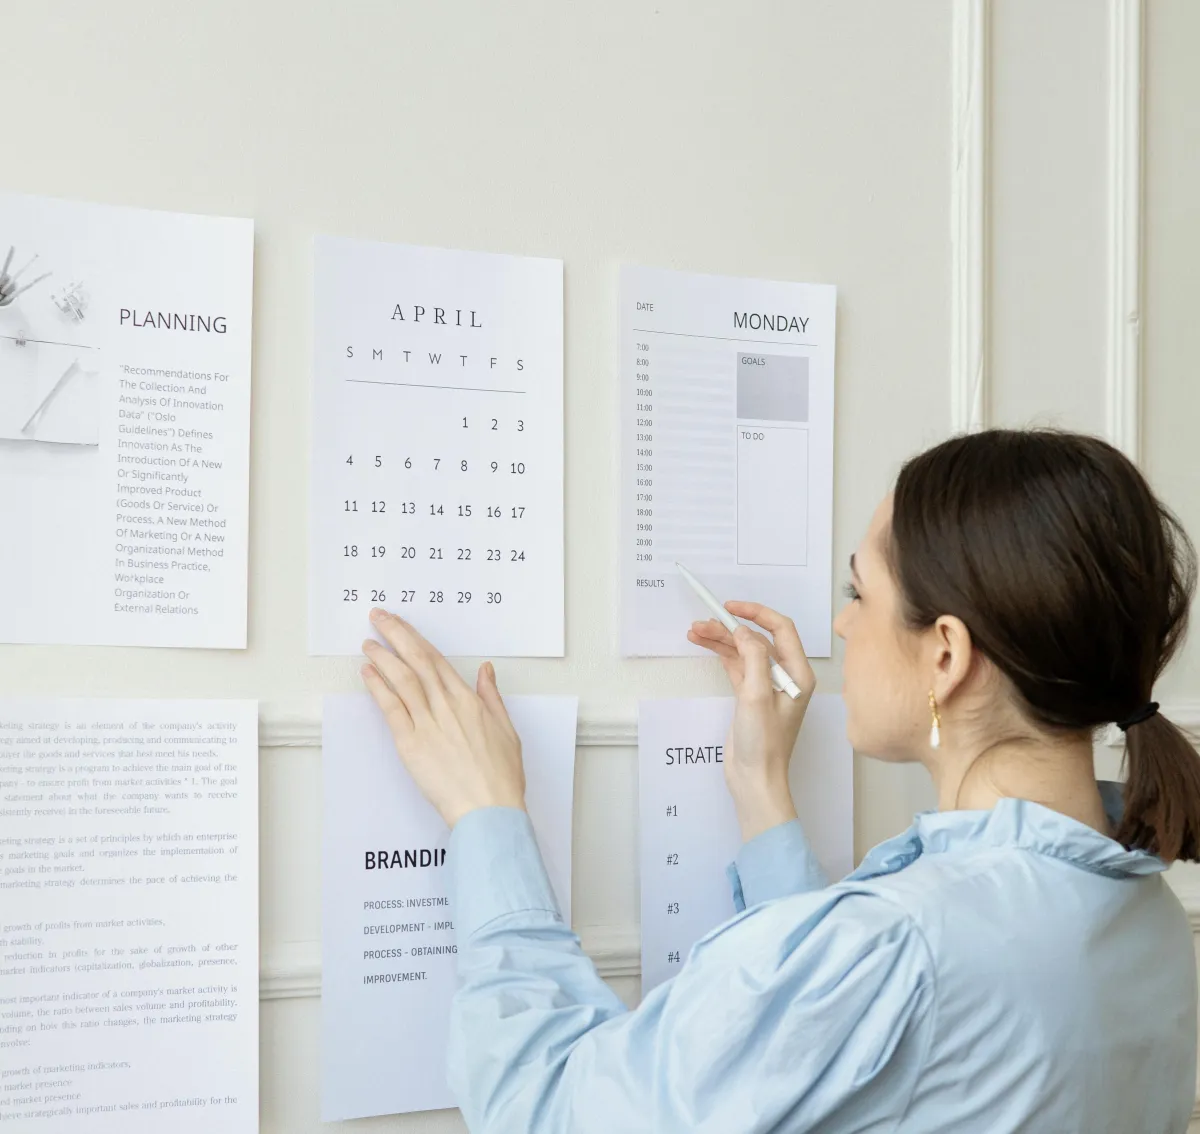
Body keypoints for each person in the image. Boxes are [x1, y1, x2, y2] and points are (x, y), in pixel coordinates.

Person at [359, 429, 1200, 1133]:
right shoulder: (1146, 914)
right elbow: (857, 1059)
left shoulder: (896, 949)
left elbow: (548, 1108)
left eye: (857, 590)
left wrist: (486, 813)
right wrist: (761, 786)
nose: (840, 621)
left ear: (945, 654)